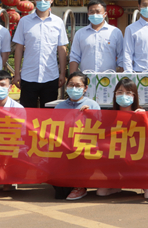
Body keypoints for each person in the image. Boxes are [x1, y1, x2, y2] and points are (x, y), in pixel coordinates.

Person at [95, 78, 148, 200]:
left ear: (134, 96)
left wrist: (145, 118)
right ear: (115, 94)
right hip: (115, 153)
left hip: (137, 154)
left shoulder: (142, 112)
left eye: (128, 92)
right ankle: (114, 182)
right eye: (120, 92)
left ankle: (145, 182)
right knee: (101, 193)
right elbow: (99, 135)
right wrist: (84, 112)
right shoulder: (108, 114)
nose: (124, 95)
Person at [12, 0, 68, 108]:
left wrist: (62, 74)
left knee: (49, 113)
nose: (42, 1)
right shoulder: (24, 21)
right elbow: (19, 48)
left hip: (51, 76)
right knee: (27, 112)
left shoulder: (58, 22)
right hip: (28, 76)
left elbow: (62, 49)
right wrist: (17, 73)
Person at [58, 72, 101, 201]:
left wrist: (90, 115)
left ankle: (80, 186)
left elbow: (100, 129)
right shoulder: (60, 106)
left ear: (85, 88)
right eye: (71, 85)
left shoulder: (92, 105)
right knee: (59, 193)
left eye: (78, 85)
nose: (74, 88)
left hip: (84, 145)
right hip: (65, 145)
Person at [69, 0, 124, 74]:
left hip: (109, 77)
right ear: (88, 14)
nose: (95, 14)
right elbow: (74, 57)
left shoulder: (115, 32)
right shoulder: (80, 33)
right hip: (86, 77)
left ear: (105, 14)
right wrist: (72, 77)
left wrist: (123, 76)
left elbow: (122, 57)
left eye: (98, 12)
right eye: (91, 12)